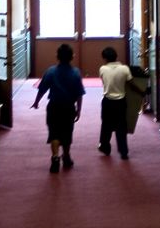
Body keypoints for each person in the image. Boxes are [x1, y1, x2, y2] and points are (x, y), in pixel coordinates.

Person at [30, 43, 85, 173]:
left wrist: (36, 102)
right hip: (68, 107)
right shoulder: (76, 73)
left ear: (57, 56)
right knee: (67, 132)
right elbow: (79, 94)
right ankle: (66, 157)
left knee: (54, 132)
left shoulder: (51, 71)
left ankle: (55, 158)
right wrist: (79, 110)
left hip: (54, 106)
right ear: (72, 56)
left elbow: (42, 89)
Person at [97, 46, 133, 159]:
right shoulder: (124, 68)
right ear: (116, 57)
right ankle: (123, 151)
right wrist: (142, 91)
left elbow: (104, 83)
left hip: (107, 101)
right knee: (121, 126)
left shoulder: (102, 69)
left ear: (104, 58)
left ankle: (105, 147)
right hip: (121, 101)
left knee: (106, 125)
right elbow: (131, 83)